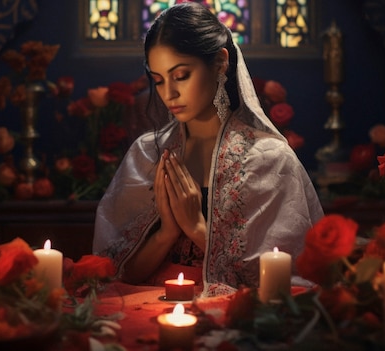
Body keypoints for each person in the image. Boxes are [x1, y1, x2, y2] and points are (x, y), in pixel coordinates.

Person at [93, 2, 323, 296]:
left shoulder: (268, 160)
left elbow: (277, 285)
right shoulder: (147, 154)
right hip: (151, 305)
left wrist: (196, 228)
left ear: (220, 62)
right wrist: (166, 234)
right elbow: (120, 274)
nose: (168, 94)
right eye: (159, 80)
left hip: (236, 314)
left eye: (181, 76)